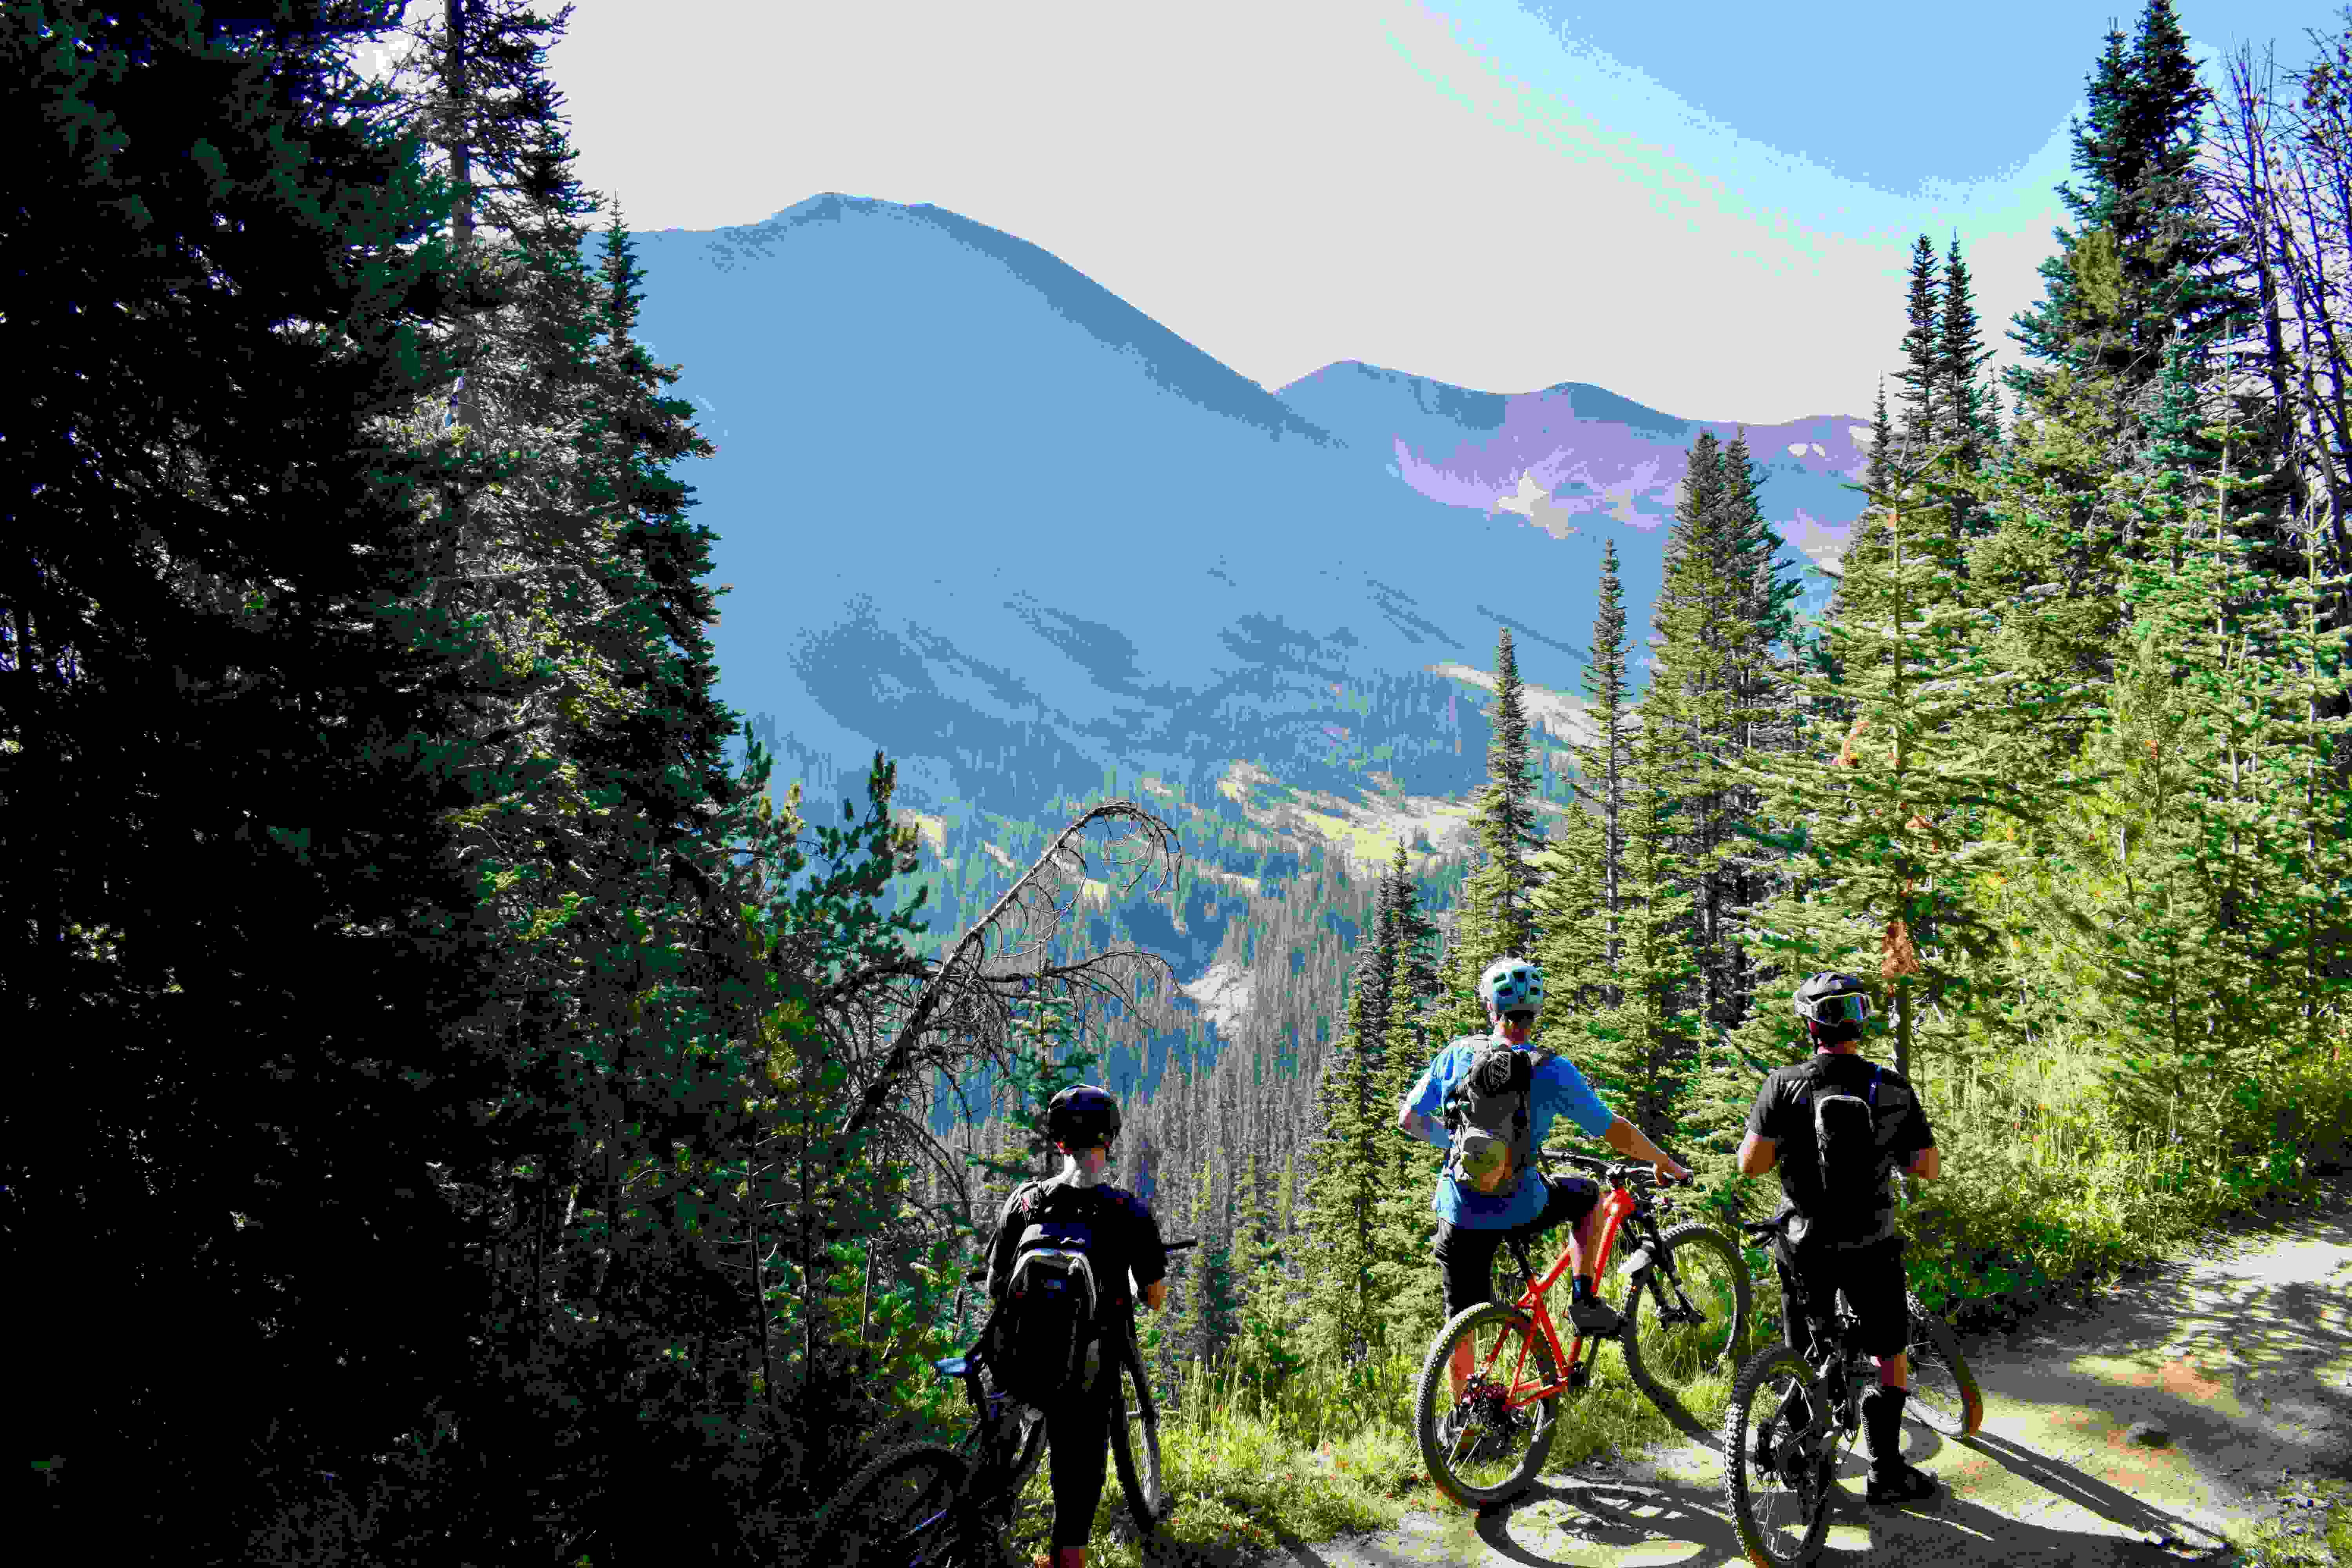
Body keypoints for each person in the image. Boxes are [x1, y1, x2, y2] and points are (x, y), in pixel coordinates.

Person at [1396, 956, 1689, 1403]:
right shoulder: (1552, 1070)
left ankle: (1465, 1422)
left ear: (1491, 1011)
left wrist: (1454, 1143)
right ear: (1535, 1014)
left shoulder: (1456, 1054)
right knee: (1587, 1195)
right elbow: (1614, 1130)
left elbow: (1409, 1119)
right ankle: (1584, 1298)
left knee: (1461, 1320)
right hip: (1522, 1203)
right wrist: (1663, 1160)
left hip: (1459, 1210)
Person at [1735, 971, 1943, 1508]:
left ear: (1810, 1026)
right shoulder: (1891, 1086)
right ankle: (1887, 1471)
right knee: (1889, 1354)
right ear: (1861, 1023)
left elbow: (1751, 1164)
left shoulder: (1784, 1084)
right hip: (1872, 1241)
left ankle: (1807, 1463)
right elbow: (1928, 1167)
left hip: (1805, 1244)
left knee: (1803, 1348)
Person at [982, 1084, 1168, 1568]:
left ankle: (978, 1522)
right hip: (1084, 1378)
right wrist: (1126, 1278)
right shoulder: (1128, 1212)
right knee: (1079, 1480)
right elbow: (1154, 1300)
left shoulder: (1025, 1203)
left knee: (994, 1460)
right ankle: (1066, 1560)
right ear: (1109, 1141)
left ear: (1059, 1142)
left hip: (1015, 1362)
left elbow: (995, 1286)